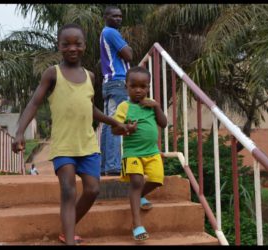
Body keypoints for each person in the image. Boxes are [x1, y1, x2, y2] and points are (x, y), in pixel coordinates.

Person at [11, 23, 129, 245]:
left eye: (78, 43)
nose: (72, 48)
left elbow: (90, 108)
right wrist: (19, 132)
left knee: (93, 190)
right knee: (68, 189)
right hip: (64, 146)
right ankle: (69, 240)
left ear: (85, 46)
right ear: (59, 46)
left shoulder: (90, 76)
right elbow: (34, 103)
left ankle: (68, 228)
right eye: (66, 44)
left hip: (87, 145)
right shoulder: (52, 74)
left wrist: (114, 122)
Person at [112, 66, 167, 241]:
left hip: (152, 152)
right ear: (126, 86)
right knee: (136, 181)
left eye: (143, 86)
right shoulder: (124, 106)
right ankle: (137, 225)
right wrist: (126, 129)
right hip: (132, 153)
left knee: (157, 179)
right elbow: (114, 129)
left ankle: (141, 195)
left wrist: (157, 106)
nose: (138, 90)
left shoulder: (151, 104)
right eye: (133, 86)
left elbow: (164, 123)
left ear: (148, 87)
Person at [100, 6, 133, 176]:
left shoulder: (106, 33)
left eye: (120, 16)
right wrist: (127, 48)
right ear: (105, 17)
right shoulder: (111, 32)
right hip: (118, 81)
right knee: (116, 123)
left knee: (108, 124)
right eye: (114, 16)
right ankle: (113, 165)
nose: (118, 19)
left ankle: (105, 165)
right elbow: (129, 54)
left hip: (110, 82)